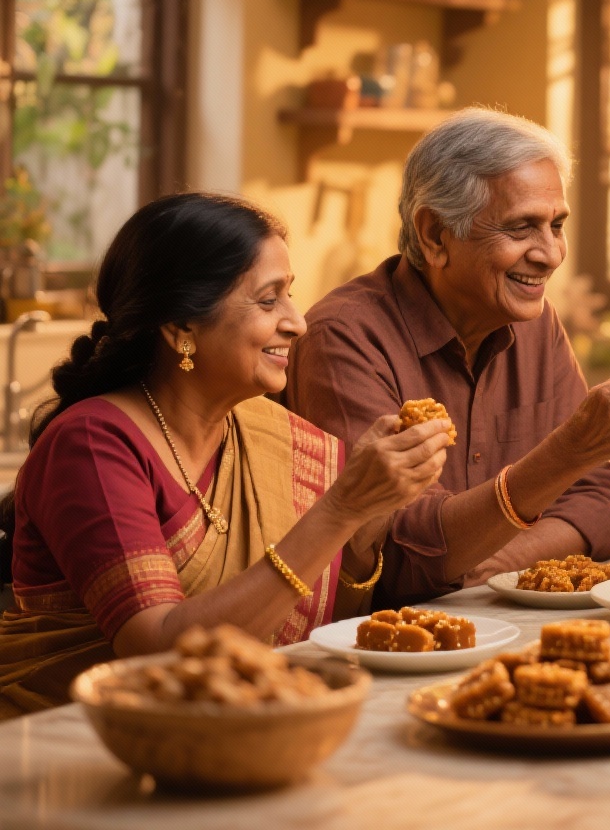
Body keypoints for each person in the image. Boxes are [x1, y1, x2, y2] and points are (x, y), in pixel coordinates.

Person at [0, 193, 451, 717]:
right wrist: (342, 509)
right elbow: (160, 654)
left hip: (241, 730)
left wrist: (370, 516)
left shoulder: (269, 433)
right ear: (181, 328)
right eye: (268, 300)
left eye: (290, 295)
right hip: (71, 748)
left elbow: (322, 617)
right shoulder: (93, 446)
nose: (297, 322)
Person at [285, 109, 610, 603]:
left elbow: (604, 502)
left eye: (556, 225)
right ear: (435, 235)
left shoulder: (537, 324)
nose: (550, 254)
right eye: (521, 228)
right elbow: (402, 557)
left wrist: (500, 559)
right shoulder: (344, 339)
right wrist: (570, 451)